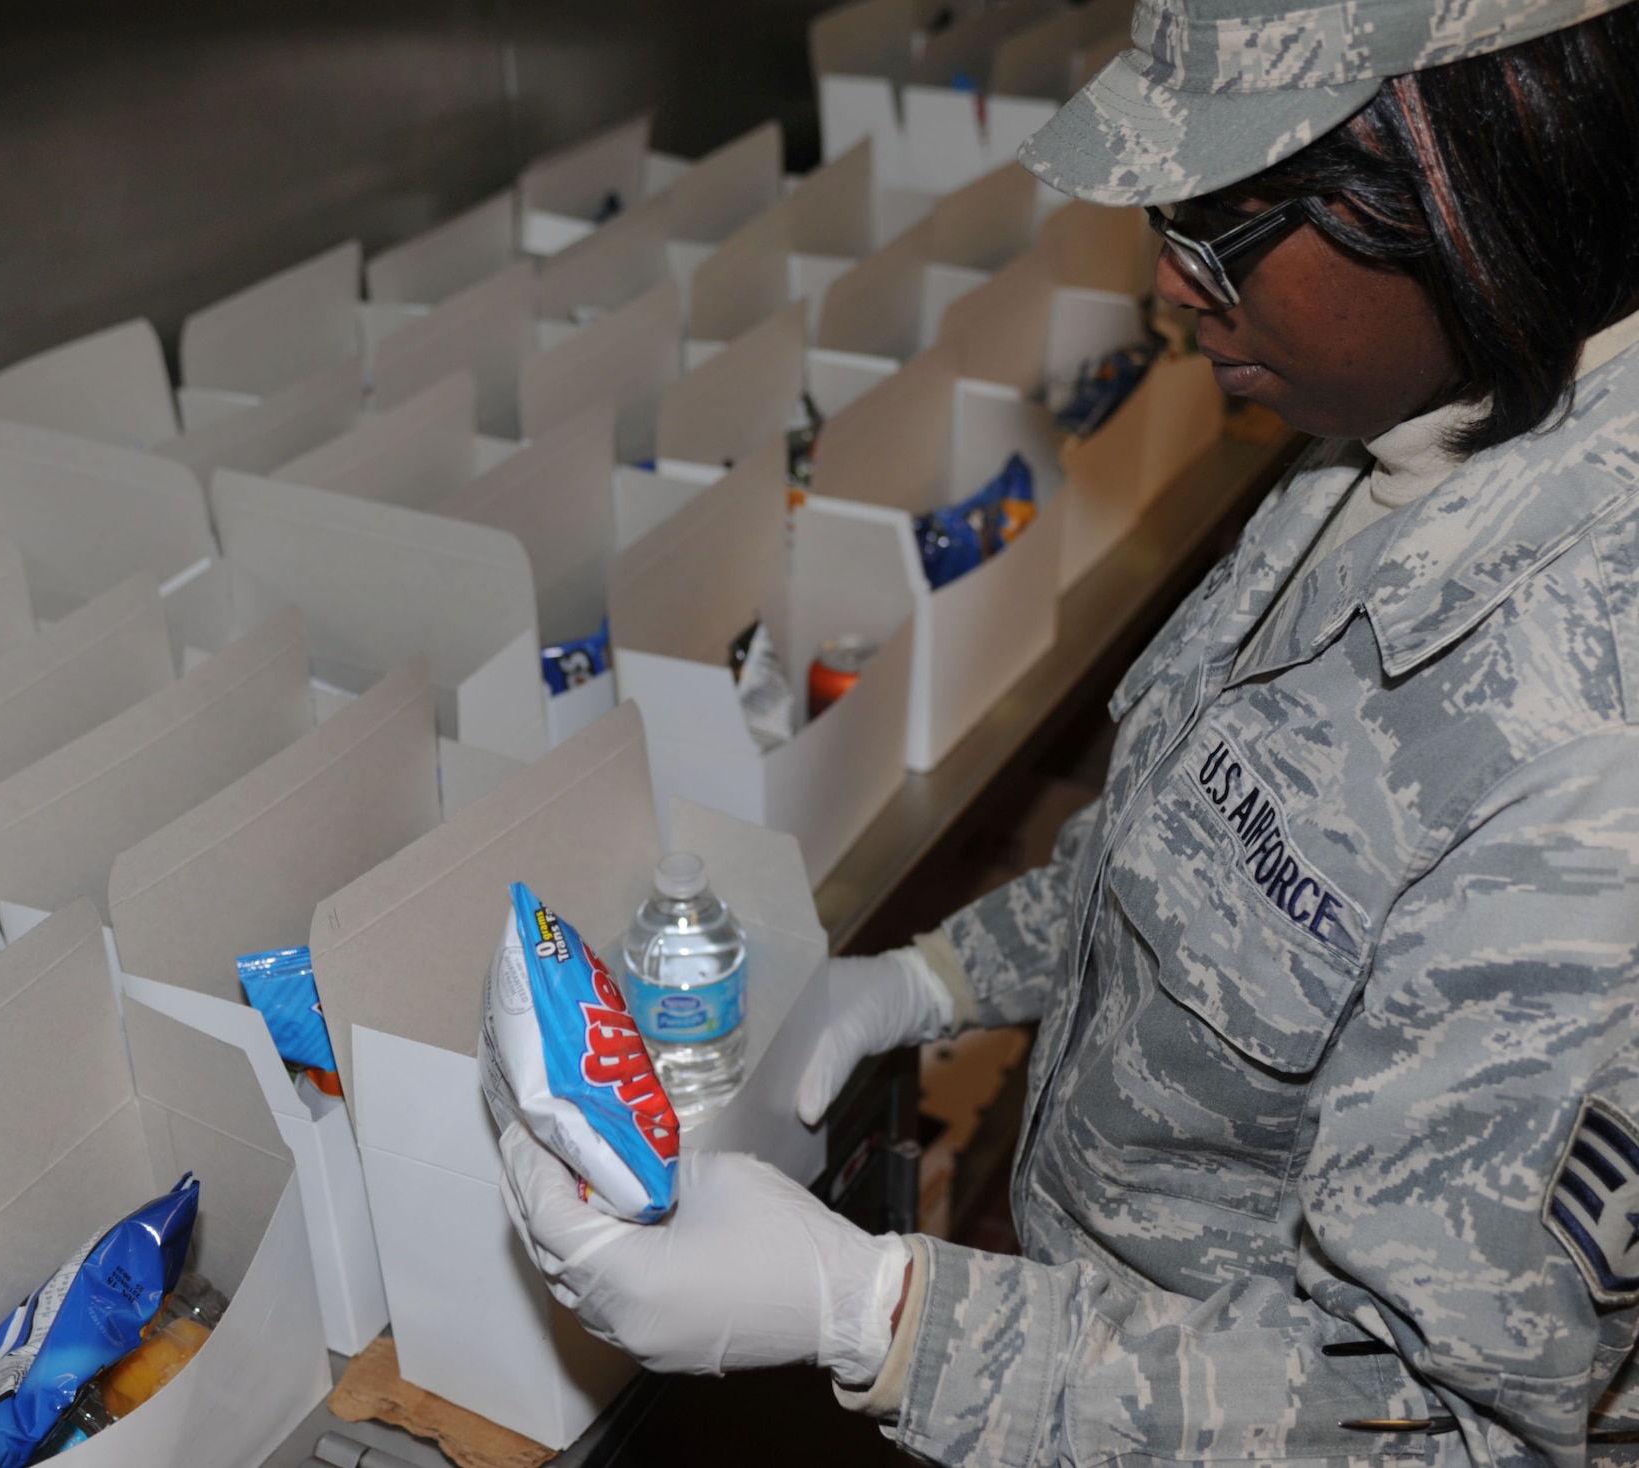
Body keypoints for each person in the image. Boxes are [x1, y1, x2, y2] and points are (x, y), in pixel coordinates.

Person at [498, 0, 1639, 1462]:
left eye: (1225, 227)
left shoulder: (1592, 769)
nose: (1171, 284)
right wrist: (931, 981)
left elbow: (1431, 1429)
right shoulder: (1412, 430)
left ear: (1469, 187)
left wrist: (883, 1318)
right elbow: (1222, 855)